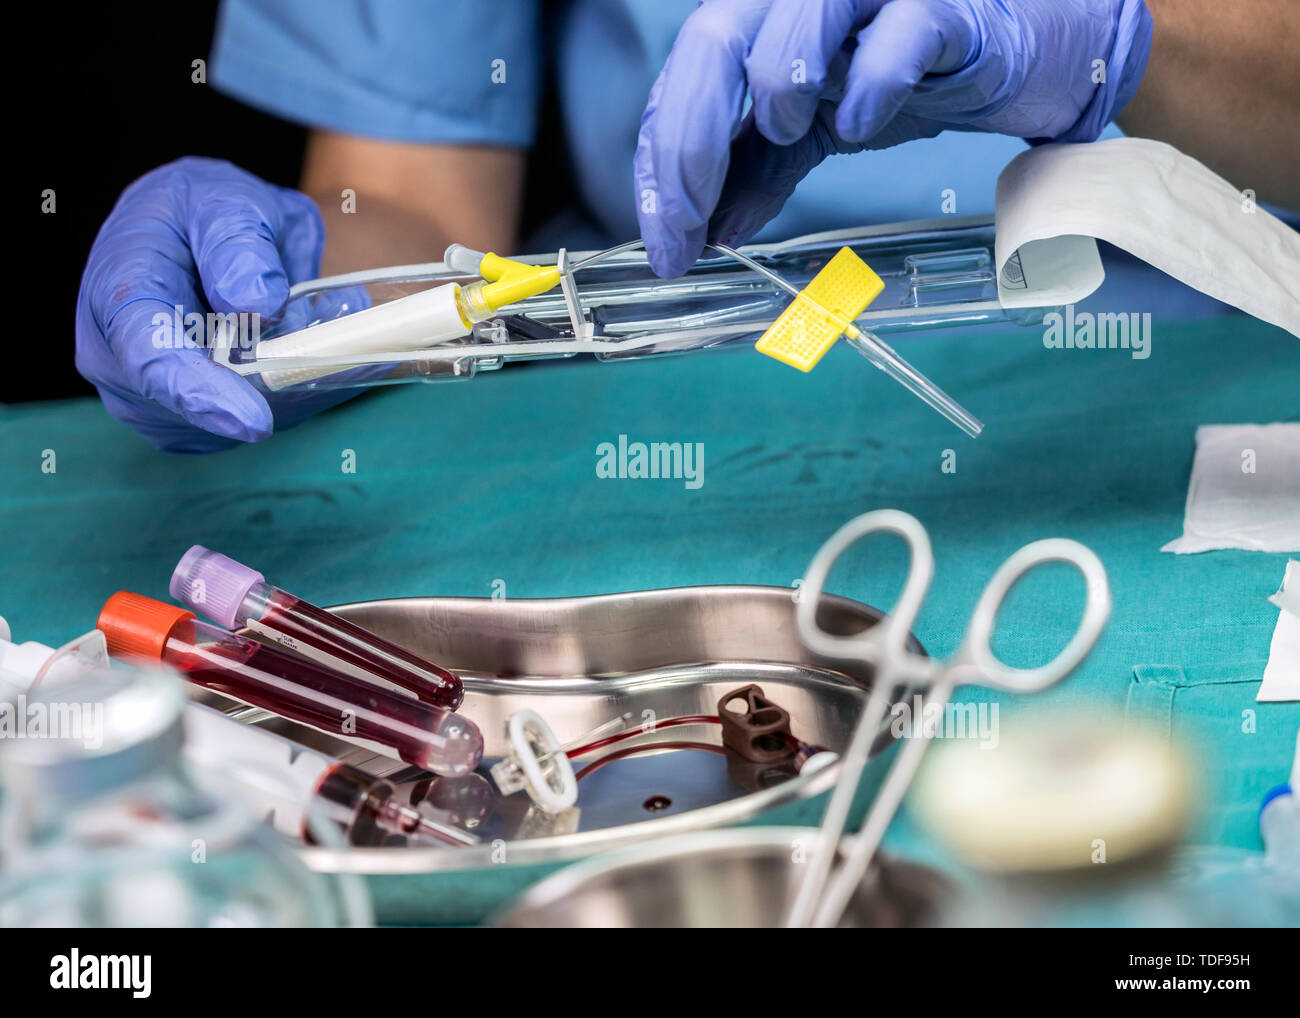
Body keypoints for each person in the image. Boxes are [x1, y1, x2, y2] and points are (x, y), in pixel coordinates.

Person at [75, 0, 1299, 453]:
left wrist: (1129, 42)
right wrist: (282, 305)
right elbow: (422, 201)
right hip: (697, 420)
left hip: (1222, 365)